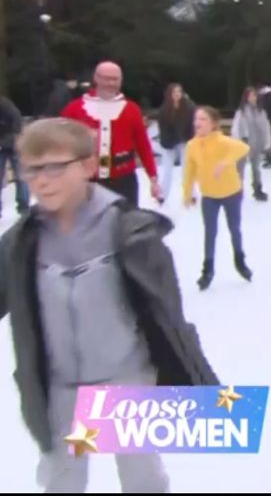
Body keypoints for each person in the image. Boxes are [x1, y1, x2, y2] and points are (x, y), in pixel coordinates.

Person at [0, 117, 219, 493]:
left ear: (88, 165)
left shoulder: (129, 230)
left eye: (55, 167)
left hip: (125, 377)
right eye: (32, 169)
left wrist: (189, 376)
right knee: (62, 480)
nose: (42, 180)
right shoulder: (22, 242)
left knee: (142, 476)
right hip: (59, 385)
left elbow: (168, 313)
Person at [60, 61, 161, 206]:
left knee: (126, 219)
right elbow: (61, 145)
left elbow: (143, 145)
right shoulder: (74, 109)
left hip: (124, 180)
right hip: (87, 181)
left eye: (115, 79)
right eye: (107, 78)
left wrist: (153, 178)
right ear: (96, 78)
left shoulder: (131, 109)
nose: (111, 83)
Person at [184, 106, 254, 290]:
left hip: (231, 193)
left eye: (203, 119)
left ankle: (240, 261)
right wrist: (187, 193)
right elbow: (189, 171)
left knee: (234, 229)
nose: (198, 123)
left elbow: (244, 147)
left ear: (213, 124)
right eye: (196, 119)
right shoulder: (192, 145)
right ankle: (207, 269)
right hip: (209, 196)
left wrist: (225, 162)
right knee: (210, 232)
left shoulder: (223, 141)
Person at [154, 82, 195, 205]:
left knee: (186, 169)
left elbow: (192, 125)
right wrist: (167, 142)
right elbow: (162, 128)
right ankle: (162, 195)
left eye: (179, 92)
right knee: (167, 170)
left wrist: (190, 139)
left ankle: (190, 194)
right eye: (174, 92)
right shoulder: (164, 109)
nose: (177, 94)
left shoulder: (188, 107)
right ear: (170, 94)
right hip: (169, 143)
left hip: (184, 142)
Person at [230, 87, 271, 202]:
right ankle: (237, 190)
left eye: (254, 95)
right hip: (243, 144)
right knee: (240, 169)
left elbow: (266, 127)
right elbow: (236, 128)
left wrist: (267, 141)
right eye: (250, 95)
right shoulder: (241, 112)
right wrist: (236, 141)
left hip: (257, 143)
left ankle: (257, 189)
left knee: (256, 168)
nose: (253, 98)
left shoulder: (261, 112)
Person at [0, 93, 30, 217]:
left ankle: (23, 206)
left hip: (13, 142)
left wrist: (17, 140)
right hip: (3, 143)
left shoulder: (4, 104)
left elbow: (17, 119)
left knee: (20, 176)